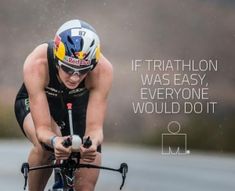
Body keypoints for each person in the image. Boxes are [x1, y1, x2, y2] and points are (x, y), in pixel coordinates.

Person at [14, 19, 113, 191]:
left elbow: (95, 130)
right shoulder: (37, 63)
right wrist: (54, 140)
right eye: (68, 69)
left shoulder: (103, 70)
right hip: (40, 102)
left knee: (90, 160)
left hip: (77, 105)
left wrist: (91, 144)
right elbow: (43, 130)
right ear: (57, 59)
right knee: (45, 147)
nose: (75, 77)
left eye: (83, 71)